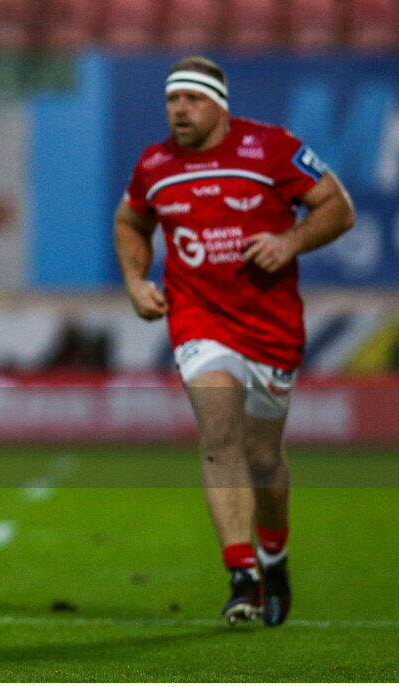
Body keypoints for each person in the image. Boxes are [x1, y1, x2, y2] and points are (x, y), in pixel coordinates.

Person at [114, 57, 355, 627]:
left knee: (264, 455)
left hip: (270, 324)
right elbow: (131, 222)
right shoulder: (155, 163)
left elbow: (337, 209)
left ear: (219, 105)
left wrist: (290, 241)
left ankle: (274, 551)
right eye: (172, 101)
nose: (179, 110)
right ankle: (242, 573)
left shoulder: (271, 148)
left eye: (192, 100)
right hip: (198, 317)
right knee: (221, 432)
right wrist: (133, 280)